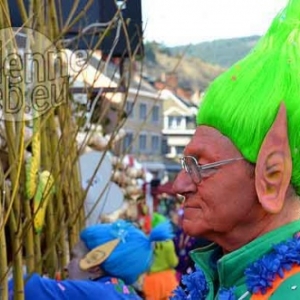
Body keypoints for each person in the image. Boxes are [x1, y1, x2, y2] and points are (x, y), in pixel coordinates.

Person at [171, 0, 300, 299]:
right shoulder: (222, 276)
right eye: (187, 163)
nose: (180, 184)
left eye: (200, 166)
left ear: (272, 175)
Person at [8, 219, 174, 299]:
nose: (66, 266)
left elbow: (27, 287)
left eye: (74, 257)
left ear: (94, 264)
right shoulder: (121, 292)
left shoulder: (99, 293)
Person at [143, 212, 179, 300]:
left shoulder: (146, 242)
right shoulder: (168, 243)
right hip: (168, 279)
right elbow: (173, 262)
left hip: (150, 280)